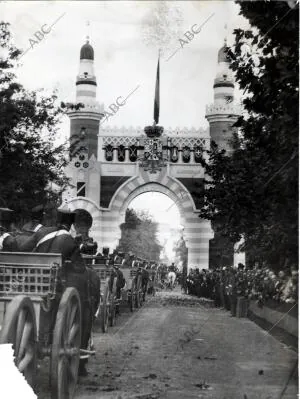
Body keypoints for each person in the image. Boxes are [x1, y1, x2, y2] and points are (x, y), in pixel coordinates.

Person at [20, 208, 100, 376]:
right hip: (52, 288)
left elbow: (24, 249)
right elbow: (79, 268)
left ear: (56, 219)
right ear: (71, 224)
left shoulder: (41, 232)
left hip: (30, 283)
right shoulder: (70, 241)